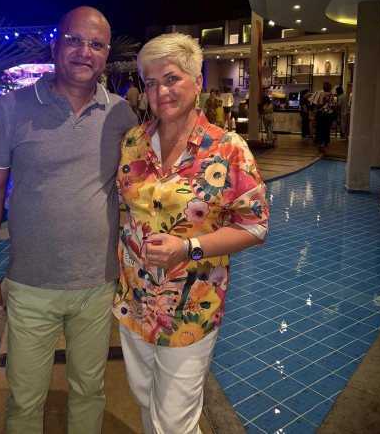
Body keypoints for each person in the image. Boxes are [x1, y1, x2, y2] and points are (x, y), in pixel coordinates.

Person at [0, 6, 138, 434]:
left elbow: (142, 190)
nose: (85, 51)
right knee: (25, 397)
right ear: (55, 44)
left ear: (106, 55)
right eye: (74, 40)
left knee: (89, 390)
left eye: (96, 44)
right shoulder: (13, 107)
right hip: (31, 283)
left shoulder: (122, 115)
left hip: (98, 283)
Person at [113, 32, 269, 434]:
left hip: (191, 305)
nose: (159, 92)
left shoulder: (228, 149)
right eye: (150, 82)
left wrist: (189, 248)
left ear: (197, 81)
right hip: (135, 298)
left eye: (171, 79)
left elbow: (255, 226)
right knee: (144, 399)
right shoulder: (134, 142)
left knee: (174, 420)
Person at [314, 81, 336, 150]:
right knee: (327, 128)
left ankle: (319, 142)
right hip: (329, 114)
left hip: (322, 113)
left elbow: (320, 103)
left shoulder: (322, 94)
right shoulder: (332, 95)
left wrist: (317, 107)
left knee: (320, 128)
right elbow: (333, 105)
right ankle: (326, 142)